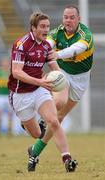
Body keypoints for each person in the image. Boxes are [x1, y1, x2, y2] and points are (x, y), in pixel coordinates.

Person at [8, 12, 77, 173]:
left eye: (48, 26)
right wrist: (40, 81)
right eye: (42, 26)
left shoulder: (46, 46)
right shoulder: (21, 44)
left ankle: (67, 159)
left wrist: (61, 80)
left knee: (54, 120)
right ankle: (27, 124)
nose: (46, 29)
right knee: (37, 134)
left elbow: (55, 68)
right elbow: (16, 72)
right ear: (33, 28)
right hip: (20, 94)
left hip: (39, 90)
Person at [30, 5, 94, 170]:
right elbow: (48, 42)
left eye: (72, 17)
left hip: (81, 80)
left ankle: (35, 150)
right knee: (58, 102)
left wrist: (58, 54)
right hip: (62, 72)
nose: (68, 20)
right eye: (66, 17)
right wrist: (44, 48)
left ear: (78, 19)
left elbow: (76, 49)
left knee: (59, 118)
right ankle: (41, 118)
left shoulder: (85, 35)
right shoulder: (57, 32)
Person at [0, 58, 13, 135]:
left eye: (6, 62)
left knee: (9, 113)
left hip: (8, 96)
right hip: (0, 95)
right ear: (2, 63)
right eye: (4, 62)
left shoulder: (11, 72)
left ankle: (9, 130)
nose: (5, 64)